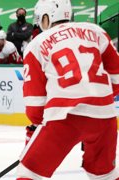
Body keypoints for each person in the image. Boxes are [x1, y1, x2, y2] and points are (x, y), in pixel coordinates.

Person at [17, 0, 119, 179]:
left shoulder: (36, 44)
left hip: (64, 117)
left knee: (29, 171)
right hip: (105, 116)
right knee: (105, 175)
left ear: (47, 18)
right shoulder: (96, 31)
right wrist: (95, 102)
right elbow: (117, 77)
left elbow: (35, 105)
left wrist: (39, 125)